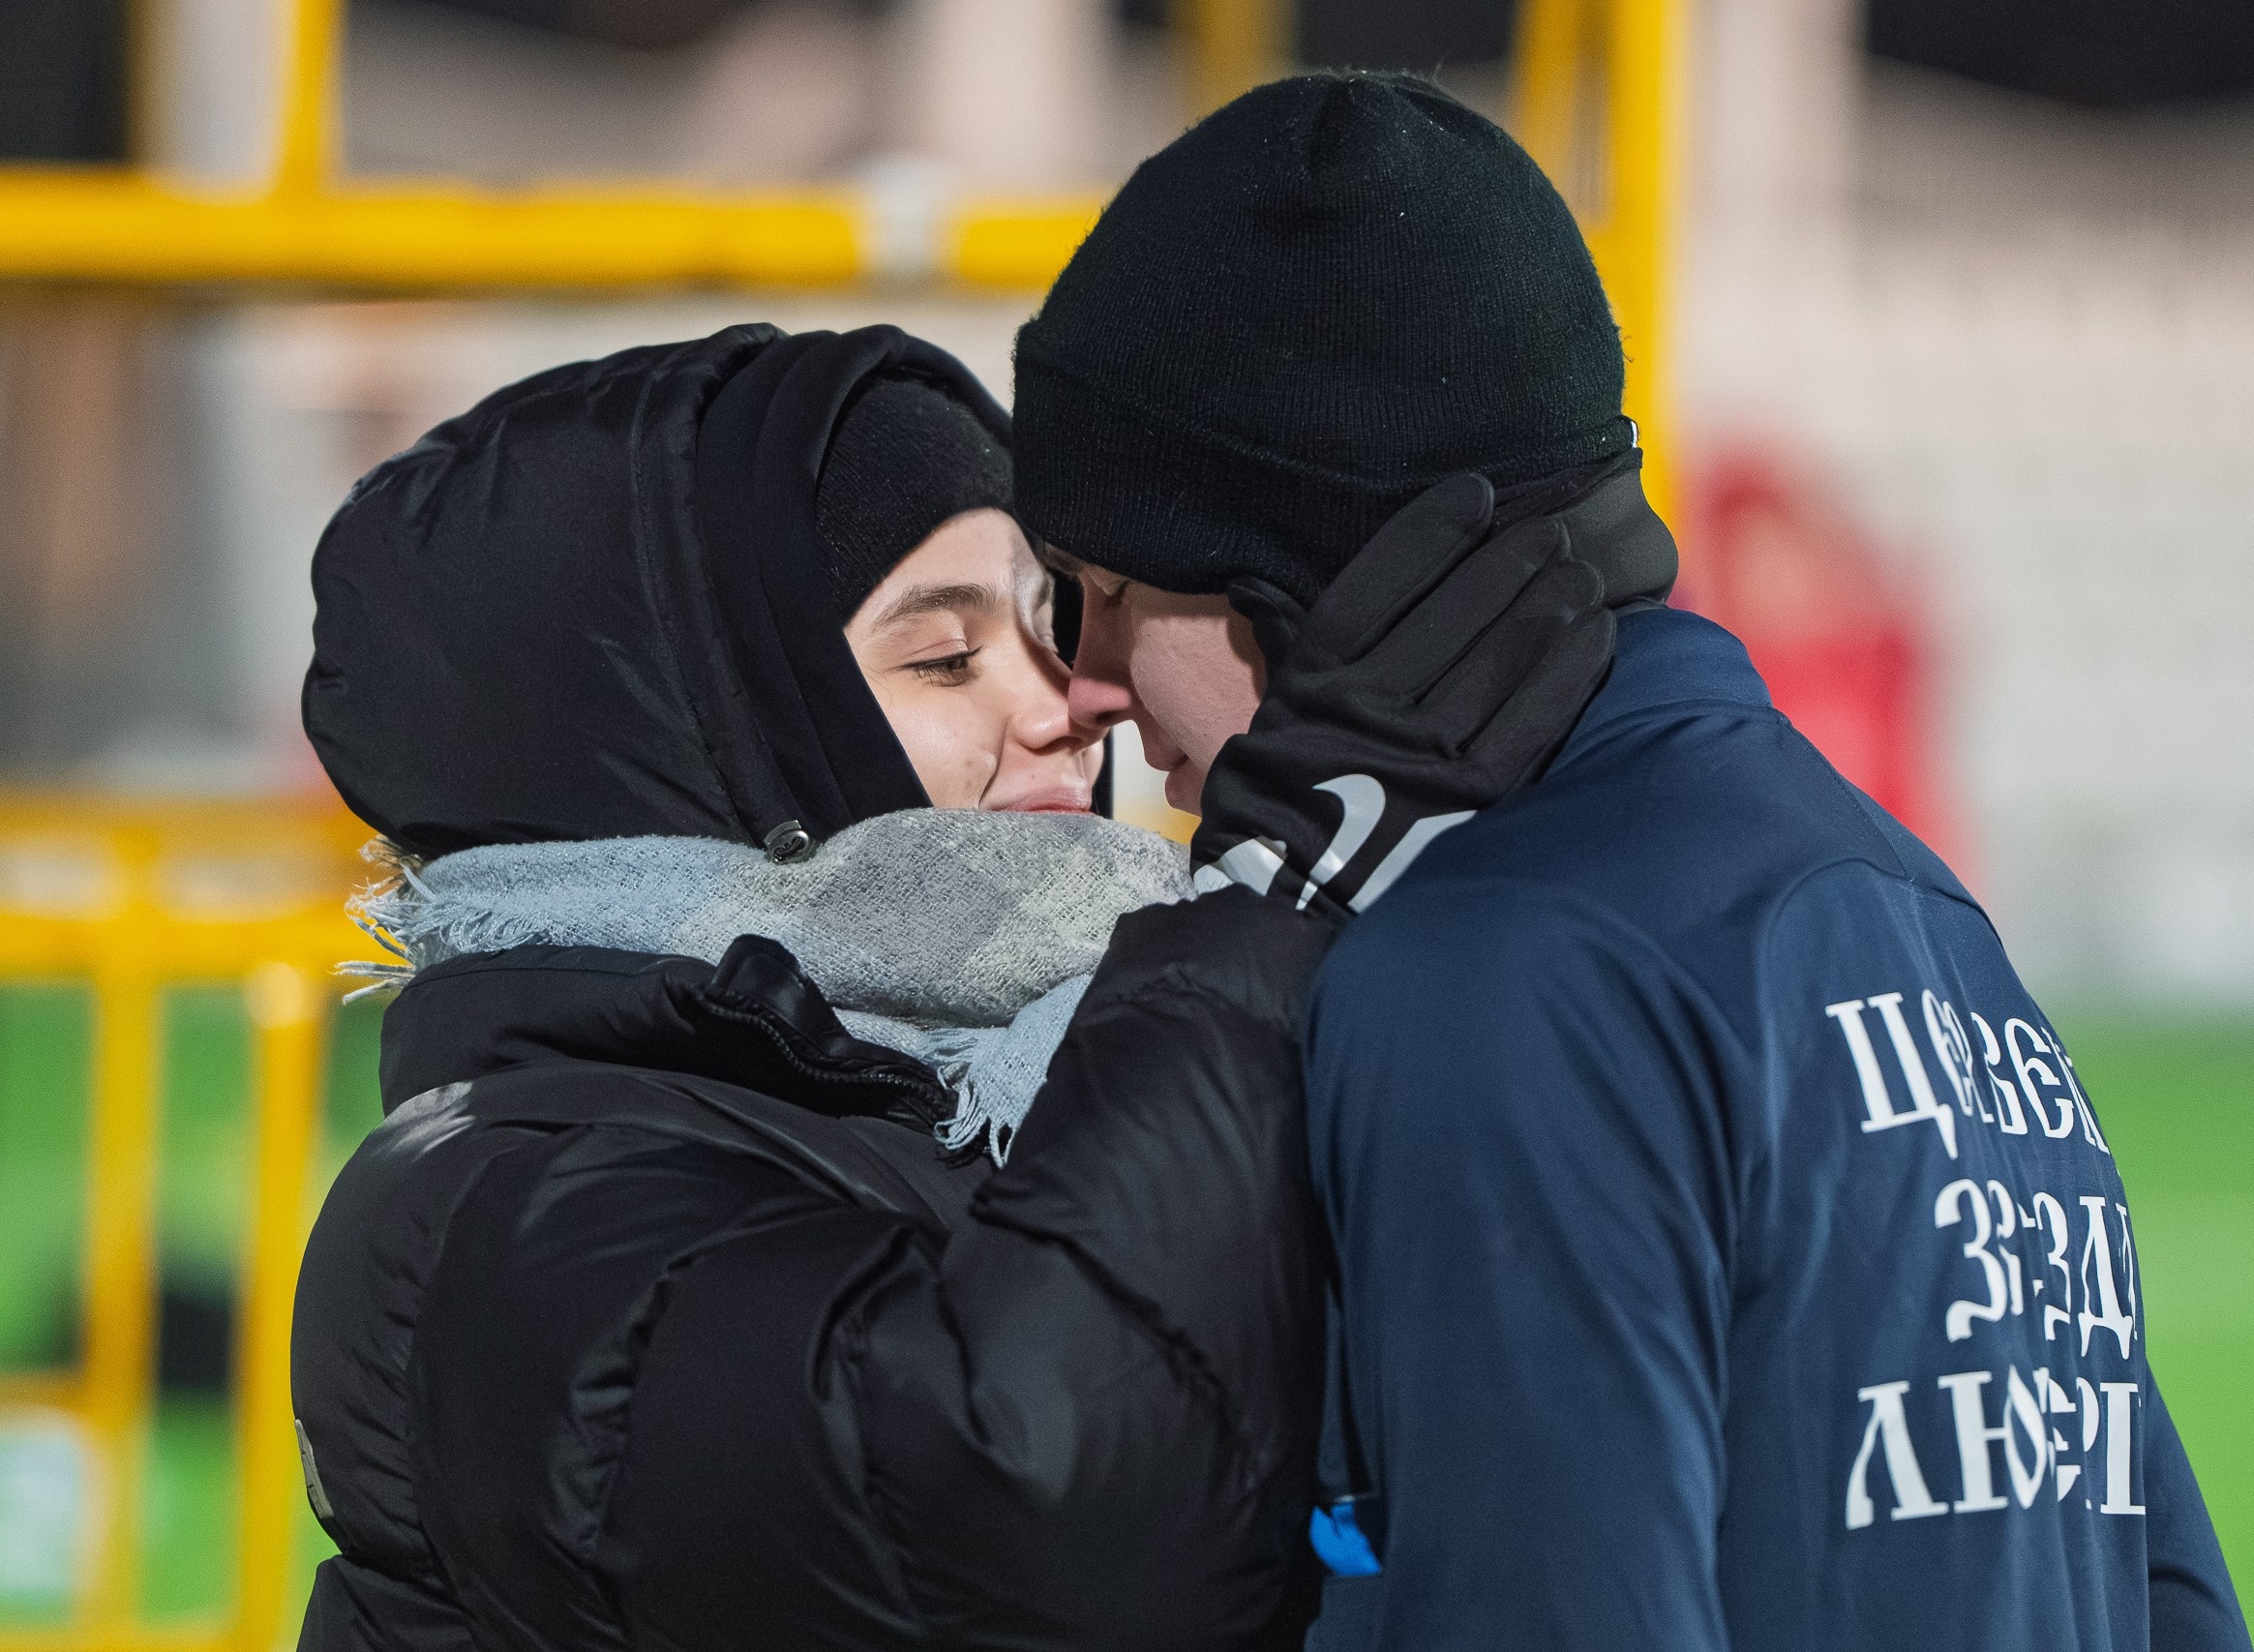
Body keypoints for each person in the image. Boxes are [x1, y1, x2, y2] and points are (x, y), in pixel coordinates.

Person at [1013, 74, 2253, 1652]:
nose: (1085, 682)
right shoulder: (1922, 921)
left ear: (1305, 588)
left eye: (1102, 592)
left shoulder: (1495, 976)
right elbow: (2181, 1614)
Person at [287, 319, 1607, 1652]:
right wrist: (1281, 907)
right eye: (942, 657)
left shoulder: (1029, 1058)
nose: (1070, 703)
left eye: (1054, 622)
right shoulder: (502, 1218)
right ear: (696, 741)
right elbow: (1024, 1511)